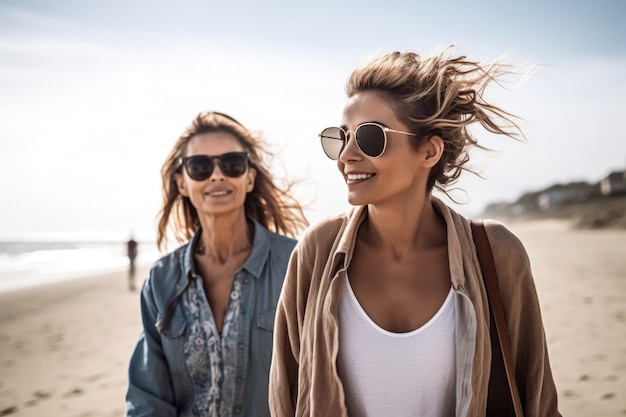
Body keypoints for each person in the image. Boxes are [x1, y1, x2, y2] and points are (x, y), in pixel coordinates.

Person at [269, 48, 561, 416]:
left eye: (371, 137)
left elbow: (538, 401)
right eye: (339, 138)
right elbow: (285, 397)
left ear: (429, 151)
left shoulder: (496, 253)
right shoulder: (318, 250)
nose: (347, 155)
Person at [126, 111, 308, 417]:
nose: (217, 175)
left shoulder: (297, 265)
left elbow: (318, 385)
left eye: (232, 163)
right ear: (182, 183)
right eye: (199, 166)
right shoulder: (161, 280)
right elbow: (147, 400)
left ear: (249, 177)